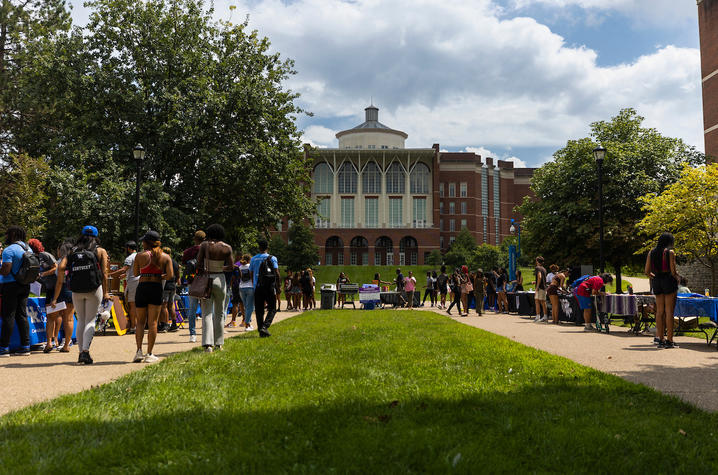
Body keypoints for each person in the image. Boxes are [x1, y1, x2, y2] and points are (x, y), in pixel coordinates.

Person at [50, 226, 110, 364]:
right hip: (94, 289)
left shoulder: (72, 251)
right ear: (96, 236)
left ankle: (80, 353)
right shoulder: (100, 250)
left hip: (76, 290)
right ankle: (85, 352)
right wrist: (106, 292)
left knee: (81, 320)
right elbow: (105, 274)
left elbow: (61, 267)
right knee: (90, 320)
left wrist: (63, 280)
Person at [132, 230, 174, 362]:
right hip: (156, 288)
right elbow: (170, 276)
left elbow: (135, 273)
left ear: (147, 242)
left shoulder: (139, 256)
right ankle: (149, 353)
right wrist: (159, 275)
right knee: (153, 322)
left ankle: (139, 351)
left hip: (142, 288)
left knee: (140, 322)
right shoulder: (166, 257)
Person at [196, 224, 233, 351]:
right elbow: (231, 267)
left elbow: (198, 262)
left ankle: (208, 344)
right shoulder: (227, 247)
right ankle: (219, 343)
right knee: (220, 312)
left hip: (207, 279)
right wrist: (219, 267)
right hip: (220, 279)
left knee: (207, 312)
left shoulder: (205, 245)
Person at [0, 226, 33, 357]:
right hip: (25, 284)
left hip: (10, 285)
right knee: (22, 315)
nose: (6, 236)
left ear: (13, 235)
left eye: (7, 234)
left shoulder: (9, 250)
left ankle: (4, 348)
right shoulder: (27, 248)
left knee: (9, 315)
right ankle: (25, 346)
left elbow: (6, 270)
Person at [645, 232, 680, 348]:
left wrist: (654, 277)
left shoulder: (651, 252)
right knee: (669, 311)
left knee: (659, 311)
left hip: (656, 281)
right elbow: (673, 271)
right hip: (668, 280)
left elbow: (646, 271)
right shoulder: (669, 252)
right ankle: (670, 340)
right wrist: (678, 278)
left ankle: (660, 339)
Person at [28, 239, 59, 352]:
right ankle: (50, 342)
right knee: (50, 314)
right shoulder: (33, 258)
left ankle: (55, 339)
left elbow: (56, 267)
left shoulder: (45, 255)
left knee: (56, 314)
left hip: (57, 287)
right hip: (48, 288)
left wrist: (43, 274)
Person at [250, 239, 280, 337]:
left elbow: (251, 273)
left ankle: (260, 330)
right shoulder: (272, 258)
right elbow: (277, 273)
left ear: (259, 247)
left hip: (258, 286)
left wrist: (254, 284)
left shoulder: (253, 259)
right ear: (267, 247)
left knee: (259, 310)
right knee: (272, 308)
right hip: (269, 287)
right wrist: (278, 286)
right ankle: (265, 327)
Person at [108, 241, 138, 334]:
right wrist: (125, 275)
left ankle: (133, 327)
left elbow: (124, 268)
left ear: (129, 248)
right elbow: (134, 269)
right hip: (139, 281)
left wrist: (109, 274)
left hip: (133, 283)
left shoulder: (129, 258)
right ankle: (138, 325)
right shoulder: (139, 256)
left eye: (125, 248)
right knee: (137, 305)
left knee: (132, 305)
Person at [182, 230, 205, 343]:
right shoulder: (206, 250)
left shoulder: (188, 252)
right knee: (206, 307)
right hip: (204, 280)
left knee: (192, 308)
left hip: (192, 281)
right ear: (204, 239)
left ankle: (192, 334)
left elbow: (183, 264)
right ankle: (206, 331)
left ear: (194, 238)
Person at [52, 240, 76, 352]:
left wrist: (55, 298)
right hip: (74, 290)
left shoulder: (62, 263)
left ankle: (66, 344)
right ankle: (67, 342)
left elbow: (59, 282)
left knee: (66, 318)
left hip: (64, 291)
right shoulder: (74, 261)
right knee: (69, 318)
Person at [160, 247, 180, 333]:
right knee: (171, 305)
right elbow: (178, 275)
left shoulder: (164, 262)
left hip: (165, 286)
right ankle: (174, 324)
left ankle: (165, 325)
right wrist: (175, 282)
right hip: (173, 286)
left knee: (164, 306)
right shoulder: (175, 262)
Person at [236, 254, 254, 331]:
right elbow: (252, 277)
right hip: (250, 287)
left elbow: (239, 277)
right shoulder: (250, 266)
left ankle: (249, 323)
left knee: (246, 307)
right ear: (249, 260)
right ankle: (246, 325)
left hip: (241, 288)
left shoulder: (240, 267)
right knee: (250, 307)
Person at [533, 256, 548, 322]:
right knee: (543, 302)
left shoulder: (537, 268)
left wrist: (537, 286)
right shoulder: (544, 269)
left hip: (540, 287)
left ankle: (538, 316)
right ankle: (545, 316)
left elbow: (539, 276)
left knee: (537, 301)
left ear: (537, 261)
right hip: (544, 287)